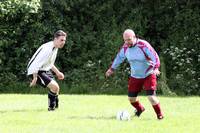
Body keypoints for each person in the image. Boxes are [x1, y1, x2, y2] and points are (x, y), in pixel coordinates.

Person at [105, 29, 164, 119]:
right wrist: (111, 69)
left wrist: (156, 68)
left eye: (129, 39)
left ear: (134, 37)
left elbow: (155, 56)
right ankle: (140, 109)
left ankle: (160, 115)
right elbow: (119, 58)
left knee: (151, 97)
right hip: (135, 76)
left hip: (149, 74)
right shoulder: (125, 48)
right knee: (131, 99)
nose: (127, 42)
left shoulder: (143, 45)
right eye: (125, 40)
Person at [27, 30, 67, 111]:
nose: (63, 42)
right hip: (35, 71)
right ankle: (51, 109)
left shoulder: (55, 48)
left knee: (56, 88)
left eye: (64, 40)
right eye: (61, 40)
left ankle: (56, 108)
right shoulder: (47, 49)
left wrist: (58, 72)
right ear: (55, 39)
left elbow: (50, 63)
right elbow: (36, 64)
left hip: (43, 69)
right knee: (54, 87)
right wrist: (34, 78)